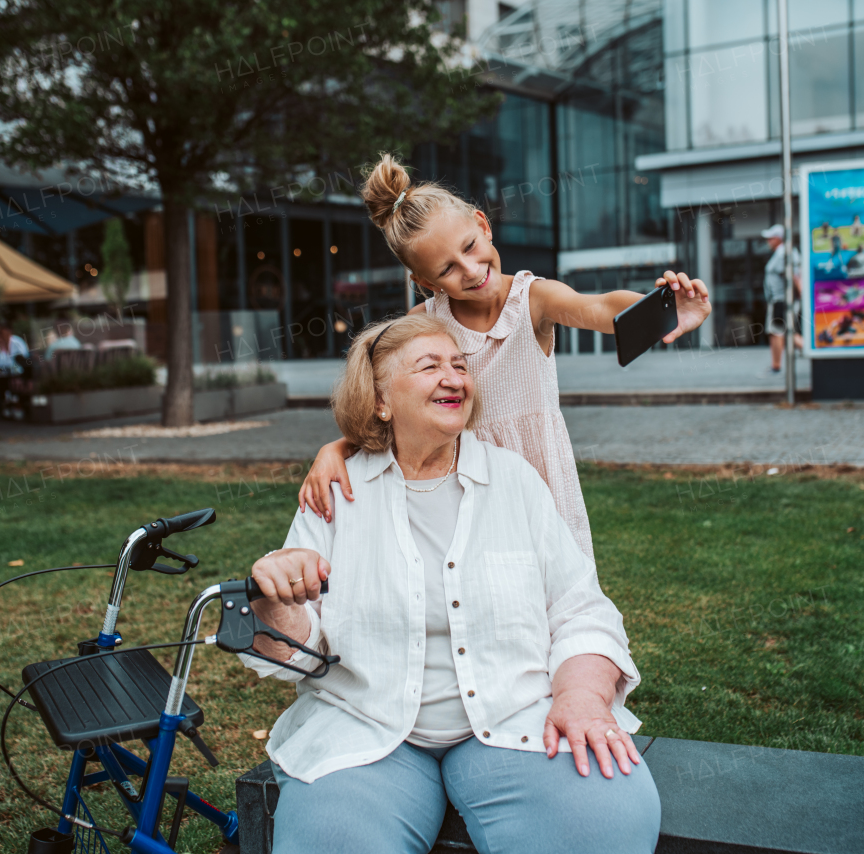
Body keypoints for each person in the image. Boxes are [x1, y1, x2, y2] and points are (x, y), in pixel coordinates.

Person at [244, 314, 660, 854]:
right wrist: (274, 599)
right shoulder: (338, 491)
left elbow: (580, 609)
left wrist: (582, 697)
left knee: (606, 822)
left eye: (460, 365)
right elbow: (298, 651)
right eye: (430, 366)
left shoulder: (513, 479)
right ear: (380, 401)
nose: (454, 377)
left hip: (518, 719)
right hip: (365, 728)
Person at [299, 153, 712, 558]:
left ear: (483, 224)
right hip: (461, 478)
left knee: (555, 590)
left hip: (538, 470)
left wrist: (665, 307)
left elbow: (599, 307)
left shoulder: (532, 299)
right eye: (447, 269)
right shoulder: (425, 321)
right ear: (424, 281)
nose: (471, 269)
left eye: (469, 246)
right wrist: (336, 449)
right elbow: (391, 403)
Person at [761, 224, 802, 373]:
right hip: (780, 300)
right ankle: (776, 365)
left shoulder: (784, 252)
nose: (768, 241)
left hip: (782, 301)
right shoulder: (780, 252)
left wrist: (802, 294)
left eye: (771, 237)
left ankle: (776, 366)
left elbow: (794, 274)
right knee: (784, 332)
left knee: (780, 332)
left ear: (778, 238)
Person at [0, 321, 30, 419]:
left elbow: (23, 360)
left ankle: (23, 407)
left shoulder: (17, 342)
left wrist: (8, 348)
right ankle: (3, 410)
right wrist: (1, 347)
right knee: (2, 381)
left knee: (22, 380)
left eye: (1, 331)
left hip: (17, 373)